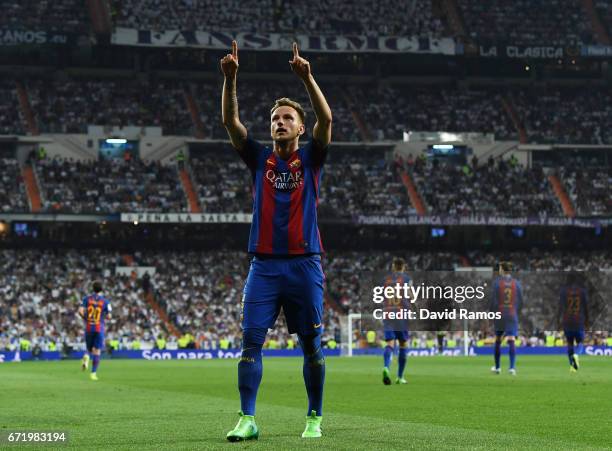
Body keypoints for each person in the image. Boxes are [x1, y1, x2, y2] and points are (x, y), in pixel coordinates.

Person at [221, 40, 332, 441]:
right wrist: (231, 79)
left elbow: (327, 119)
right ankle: (247, 419)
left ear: (300, 127)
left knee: (311, 346)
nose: (279, 122)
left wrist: (307, 78)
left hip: (304, 263)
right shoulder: (258, 159)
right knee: (251, 341)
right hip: (264, 265)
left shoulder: (311, 158)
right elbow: (232, 126)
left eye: (287, 118)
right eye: (275, 118)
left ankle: (314, 418)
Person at [381, 257, 411, 385]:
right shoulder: (406, 279)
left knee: (390, 344)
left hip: (388, 313)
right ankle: (399, 377)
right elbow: (410, 295)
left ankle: (386, 367)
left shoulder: (386, 280)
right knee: (403, 344)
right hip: (401, 314)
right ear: (403, 267)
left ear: (393, 267)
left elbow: (383, 297)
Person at [490, 262, 522, 375]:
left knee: (498, 340)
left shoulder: (497, 283)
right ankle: (512, 368)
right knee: (511, 339)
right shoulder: (516, 283)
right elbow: (521, 301)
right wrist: (515, 313)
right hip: (512, 313)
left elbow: (493, 301)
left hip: (500, 313)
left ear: (502, 270)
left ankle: (498, 368)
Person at [78, 280, 112, 381]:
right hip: (99, 327)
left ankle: (86, 357)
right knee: (97, 351)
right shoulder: (106, 302)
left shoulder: (86, 299)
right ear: (101, 289)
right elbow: (109, 316)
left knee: (89, 349)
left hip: (89, 327)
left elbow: (80, 311)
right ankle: (93, 373)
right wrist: (102, 317)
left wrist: (86, 319)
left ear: (92, 288)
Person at [558, 273, 589, 372]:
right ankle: (576, 354)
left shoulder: (563, 292)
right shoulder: (582, 292)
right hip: (578, 320)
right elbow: (586, 307)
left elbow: (560, 307)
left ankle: (572, 366)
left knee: (570, 343)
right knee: (580, 342)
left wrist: (558, 321)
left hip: (567, 320)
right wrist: (587, 321)